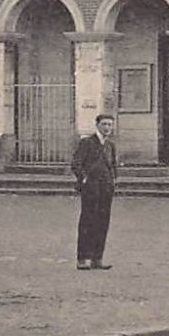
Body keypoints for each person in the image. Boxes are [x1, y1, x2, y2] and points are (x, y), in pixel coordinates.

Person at [70, 113, 118, 270]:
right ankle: (82, 258)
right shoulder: (87, 143)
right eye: (104, 124)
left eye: (110, 125)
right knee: (87, 222)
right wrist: (84, 179)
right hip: (91, 188)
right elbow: (76, 164)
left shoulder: (110, 145)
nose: (107, 128)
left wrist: (113, 180)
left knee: (103, 222)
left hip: (106, 189)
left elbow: (113, 165)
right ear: (97, 125)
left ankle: (97, 259)